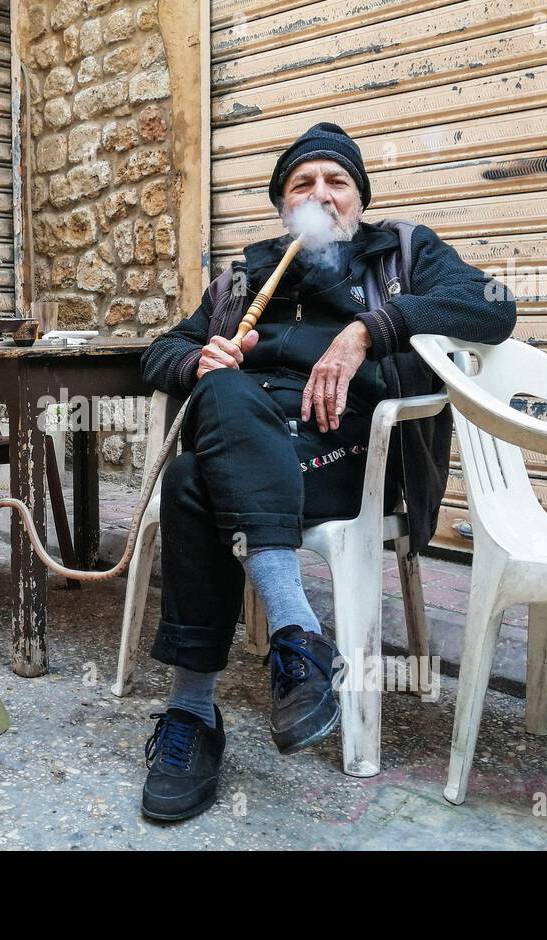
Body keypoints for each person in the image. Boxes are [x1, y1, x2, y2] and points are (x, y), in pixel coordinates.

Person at [136, 122, 518, 820]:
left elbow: (493, 309)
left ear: (358, 198)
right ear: (285, 207)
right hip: (247, 448)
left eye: (335, 181)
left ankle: (193, 711)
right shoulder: (247, 275)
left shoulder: (404, 254)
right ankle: (293, 644)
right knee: (203, 441)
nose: (321, 194)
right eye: (302, 185)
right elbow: (160, 351)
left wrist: (370, 328)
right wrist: (199, 360)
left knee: (196, 480)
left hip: (350, 458)